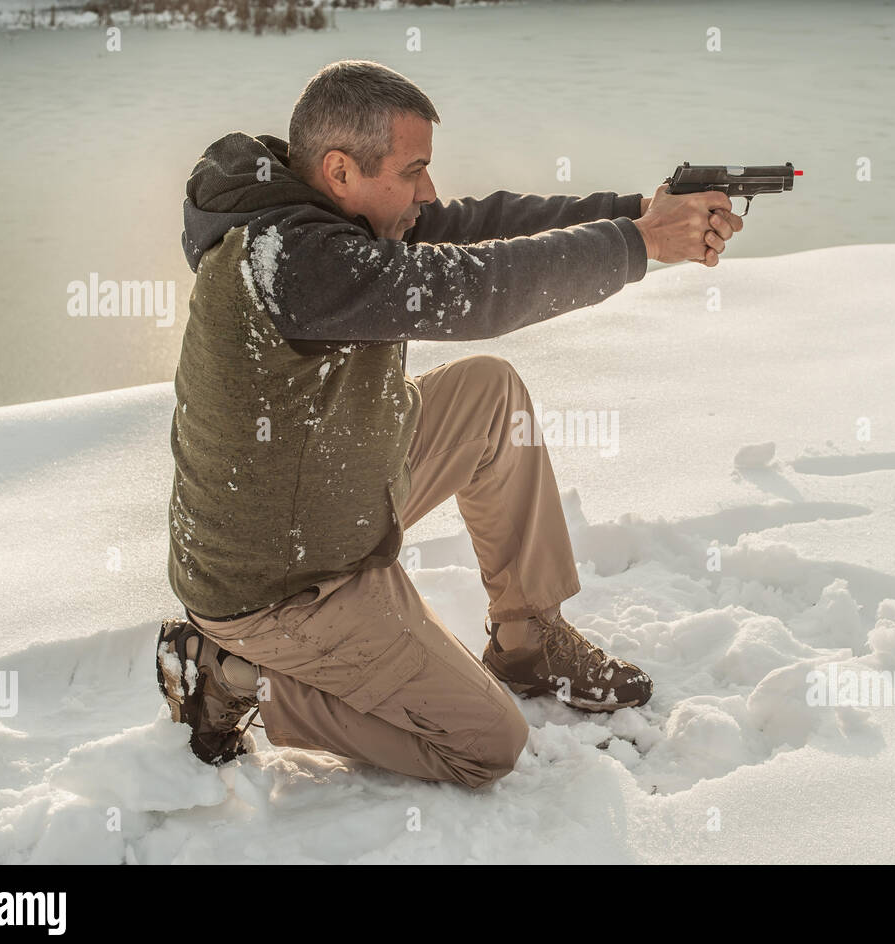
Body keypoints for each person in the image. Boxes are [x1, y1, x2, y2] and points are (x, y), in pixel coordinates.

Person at [156, 59, 742, 789]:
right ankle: (236, 676)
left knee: (488, 395)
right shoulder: (298, 262)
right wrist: (644, 244)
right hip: (283, 582)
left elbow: (474, 230)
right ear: (341, 170)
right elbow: (476, 287)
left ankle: (531, 642)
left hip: (335, 480)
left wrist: (636, 212)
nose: (428, 190)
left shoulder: (318, 209)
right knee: (486, 743)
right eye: (414, 170)